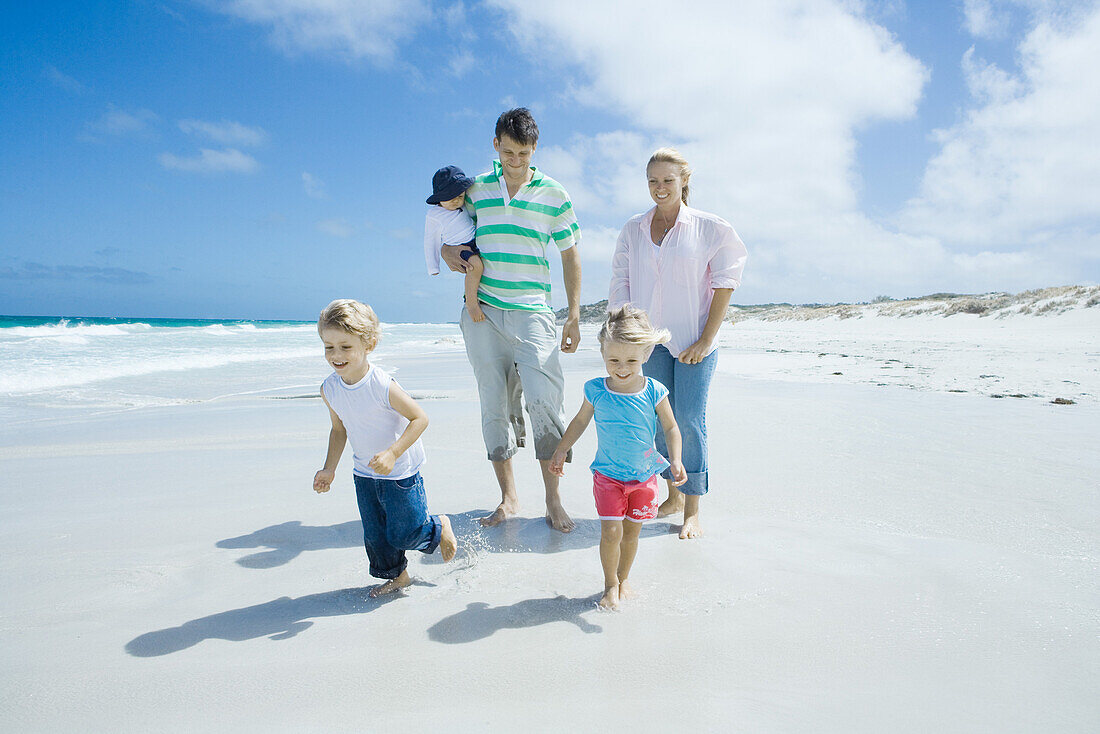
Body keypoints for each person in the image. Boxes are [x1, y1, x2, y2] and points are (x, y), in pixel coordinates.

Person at [439, 107, 583, 533]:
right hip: (481, 313)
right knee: (494, 405)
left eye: (522, 153)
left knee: (546, 405)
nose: (514, 161)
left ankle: (553, 500)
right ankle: (508, 497)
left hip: (534, 313)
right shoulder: (476, 189)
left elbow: (570, 252)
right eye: (507, 153)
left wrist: (573, 314)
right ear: (495, 145)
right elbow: (448, 234)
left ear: (534, 148)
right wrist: (450, 256)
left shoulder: (554, 193)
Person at [609, 148, 748, 540]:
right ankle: (671, 496)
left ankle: (692, 510)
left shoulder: (709, 227)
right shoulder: (633, 229)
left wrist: (706, 339)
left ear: (684, 180)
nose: (660, 188)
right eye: (653, 181)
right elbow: (621, 279)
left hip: (693, 342)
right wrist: (623, 330)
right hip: (648, 343)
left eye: (668, 180)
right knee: (656, 421)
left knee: (687, 420)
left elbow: (726, 281)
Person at [312, 299, 458, 597]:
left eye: (345, 347)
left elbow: (420, 418)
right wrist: (329, 468)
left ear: (369, 344)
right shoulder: (330, 389)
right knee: (377, 537)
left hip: (400, 472)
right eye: (329, 347)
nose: (336, 355)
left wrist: (393, 453)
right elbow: (339, 429)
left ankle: (438, 527)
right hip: (363, 472)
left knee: (404, 532)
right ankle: (398, 576)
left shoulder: (380, 385)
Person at [549, 305, 686, 610]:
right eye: (614, 360)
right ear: (602, 353)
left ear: (645, 355)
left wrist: (675, 459)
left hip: (644, 478)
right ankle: (610, 585)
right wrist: (561, 448)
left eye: (631, 361)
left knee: (631, 535)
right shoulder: (596, 390)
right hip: (608, 476)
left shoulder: (654, 391)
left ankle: (623, 579)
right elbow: (580, 422)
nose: (622, 368)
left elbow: (671, 427)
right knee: (611, 532)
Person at [423, 165, 486, 323]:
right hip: (460, 248)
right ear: (439, 197)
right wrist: (433, 267)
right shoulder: (434, 215)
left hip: (476, 242)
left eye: (459, 196)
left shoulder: (463, 204)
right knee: (475, 266)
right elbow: (430, 241)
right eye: (450, 197)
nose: (456, 200)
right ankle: (471, 302)